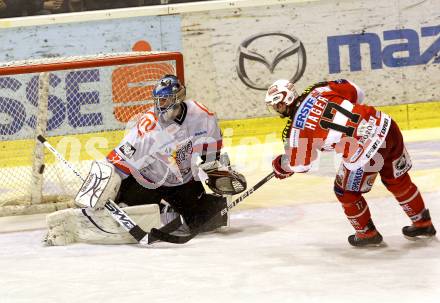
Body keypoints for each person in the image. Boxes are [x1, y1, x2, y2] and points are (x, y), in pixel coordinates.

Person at [264, 79, 436, 247]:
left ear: (286, 100)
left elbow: (300, 164)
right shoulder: (320, 89)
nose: (277, 110)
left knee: (344, 191)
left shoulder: (295, 130)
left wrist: (281, 165)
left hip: (363, 149)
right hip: (385, 125)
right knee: (397, 179)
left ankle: (366, 234)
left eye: (277, 105)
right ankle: (423, 223)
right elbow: (357, 92)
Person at [106, 74, 238, 232]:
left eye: (163, 100)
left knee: (210, 221)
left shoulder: (203, 116)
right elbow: (119, 162)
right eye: (157, 100)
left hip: (182, 181)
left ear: (177, 99)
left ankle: (170, 210)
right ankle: (160, 208)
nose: (158, 105)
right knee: (127, 216)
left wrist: (217, 170)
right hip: (148, 181)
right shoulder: (149, 125)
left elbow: (210, 152)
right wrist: (105, 190)